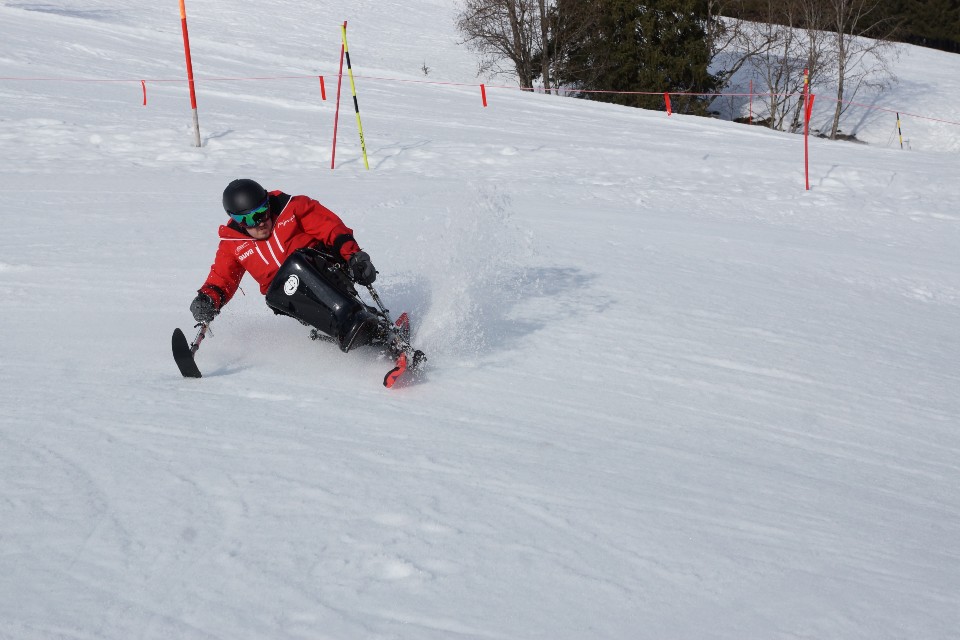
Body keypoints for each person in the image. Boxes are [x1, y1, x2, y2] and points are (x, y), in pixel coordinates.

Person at [189, 178, 377, 325]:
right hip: (292, 298)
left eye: (262, 211)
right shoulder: (232, 244)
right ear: (237, 220)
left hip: (325, 270)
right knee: (275, 293)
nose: (260, 221)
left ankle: (360, 323)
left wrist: (353, 256)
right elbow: (222, 279)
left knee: (297, 263)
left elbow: (331, 228)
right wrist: (207, 300)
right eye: (249, 219)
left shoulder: (293, 209)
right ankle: (352, 329)